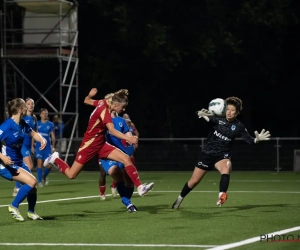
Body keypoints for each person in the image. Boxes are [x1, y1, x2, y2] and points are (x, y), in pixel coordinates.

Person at [43, 88, 154, 197]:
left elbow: (86, 101)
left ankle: (140, 187)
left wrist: (90, 96)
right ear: (115, 104)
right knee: (71, 174)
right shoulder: (104, 111)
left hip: (101, 145)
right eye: (123, 107)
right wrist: (128, 138)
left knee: (126, 159)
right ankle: (55, 158)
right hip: (89, 145)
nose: (124, 109)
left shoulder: (103, 102)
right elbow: (112, 130)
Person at [172, 96, 271, 209]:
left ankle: (222, 195)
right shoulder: (217, 119)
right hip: (207, 154)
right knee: (194, 181)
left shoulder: (239, 126)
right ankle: (179, 199)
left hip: (222, 155)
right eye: (227, 109)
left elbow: (250, 140)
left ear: (237, 112)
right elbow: (204, 117)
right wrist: (199, 113)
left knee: (227, 166)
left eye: (232, 110)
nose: (229, 112)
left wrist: (257, 140)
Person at [0, 98, 47, 221]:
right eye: (25, 107)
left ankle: (31, 212)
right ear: (21, 110)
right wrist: (3, 157)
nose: (27, 108)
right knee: (31, 182)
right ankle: (13, 206)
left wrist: (42, 139)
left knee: (33, 187)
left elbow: (33, 134)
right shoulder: (6, 126)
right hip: (6, 164)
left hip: (18, 162)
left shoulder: (22, 123)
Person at [99, 111, 137, 212]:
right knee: (114, 172)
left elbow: (128, 135)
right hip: (107, 156)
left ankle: (127, 201)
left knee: (129, 181)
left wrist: (131, 139)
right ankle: (128, 204)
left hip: (121, 154)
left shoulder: (121, 121)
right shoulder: (102, 120)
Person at [13, 97, 37, 197]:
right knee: (30, 166)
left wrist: (33, 145)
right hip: (22, 145)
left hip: (28, 146)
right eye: (28, 104)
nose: (30, 105)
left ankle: (18, 186)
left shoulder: (34, 118)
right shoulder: (22, 118)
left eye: (32, 103)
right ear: (25, 106)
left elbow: (34, 133)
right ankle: (18, 187)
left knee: (26, 166)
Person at [34, 108, 55, 187]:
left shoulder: (50, 124)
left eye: (46, 113)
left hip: (47, 148)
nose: (45, 114)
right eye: (43, 113)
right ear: (40, 115)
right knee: (39, 163)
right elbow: (34, 134)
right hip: (39, 146)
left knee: (49, 165)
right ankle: (39, 182)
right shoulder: (37, 124)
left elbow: (53, 137)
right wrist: (32, 145)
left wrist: (53, 146)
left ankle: (44, 176)